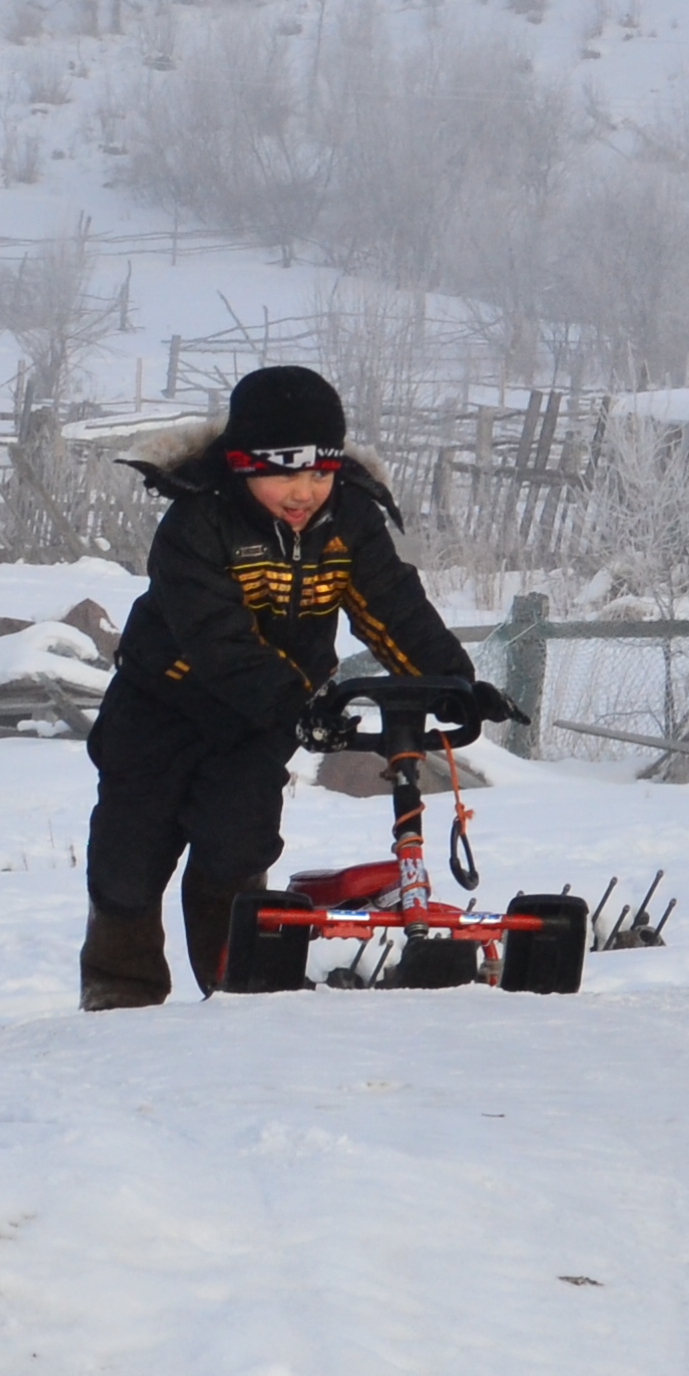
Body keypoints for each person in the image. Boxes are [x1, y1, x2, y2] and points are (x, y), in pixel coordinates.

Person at [80, 365, 472, 1005]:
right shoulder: (197, 523)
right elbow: (218, 641)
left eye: (320, 474)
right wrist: (303, 705)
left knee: (238, 846)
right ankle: (119, 999)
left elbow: (393, 605)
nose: (304, 493)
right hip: (161, 710)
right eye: (284, 475)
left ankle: (238, 994)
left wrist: (452, 682)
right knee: (128, 861)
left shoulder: (349, 522)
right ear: (241, 466)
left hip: (260, 722)